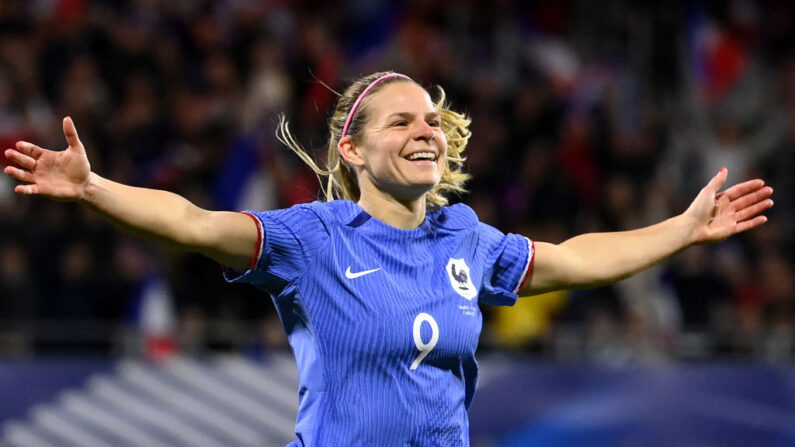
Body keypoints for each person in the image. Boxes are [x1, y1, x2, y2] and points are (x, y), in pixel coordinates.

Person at [3, 71, 774, 446]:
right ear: (353, 148)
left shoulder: (467, 237)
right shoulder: (313, 238)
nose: (426, 131)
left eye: (432, 121)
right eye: (401, 121)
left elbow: (576, 259)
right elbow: (195, 224)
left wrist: (679, 229)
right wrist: (95, 187)